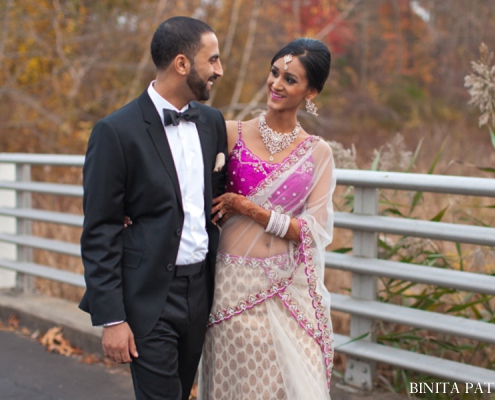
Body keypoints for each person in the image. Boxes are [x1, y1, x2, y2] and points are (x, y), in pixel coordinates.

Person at [79, 16, 227, 400]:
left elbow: (216, 200)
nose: (219, 70)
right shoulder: (116, 131)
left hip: (201, 291)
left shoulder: (211, 122)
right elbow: (100, 229)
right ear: (182, 64)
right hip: (148, 296)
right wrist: (112, 318)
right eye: (212, 60)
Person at [201, 38, 335, 399]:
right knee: (242, 387)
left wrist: (247, 207)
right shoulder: (229, 133)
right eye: (274, 73)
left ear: (312, 92)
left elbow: (310, 232)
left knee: (294, 385)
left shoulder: (317, 153)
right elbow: (178, 176)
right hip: (232, 286)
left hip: (288, 289)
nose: (276, 84)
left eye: (290, 80)